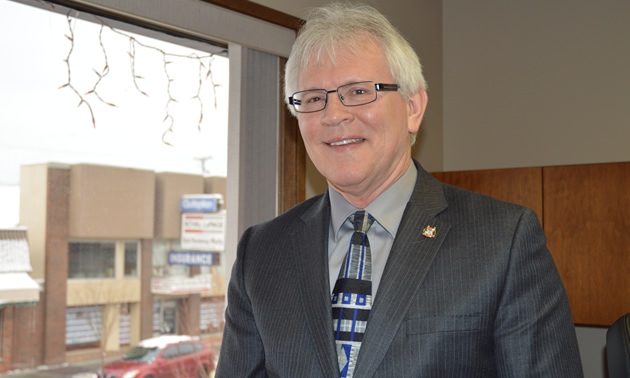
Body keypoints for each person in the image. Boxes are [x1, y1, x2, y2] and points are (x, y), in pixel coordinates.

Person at [216, 3, 583, 377]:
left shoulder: (505, 240)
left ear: (413, 107)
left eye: (358, 91)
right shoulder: (260, 253)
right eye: (313, 98)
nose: (334, 115)